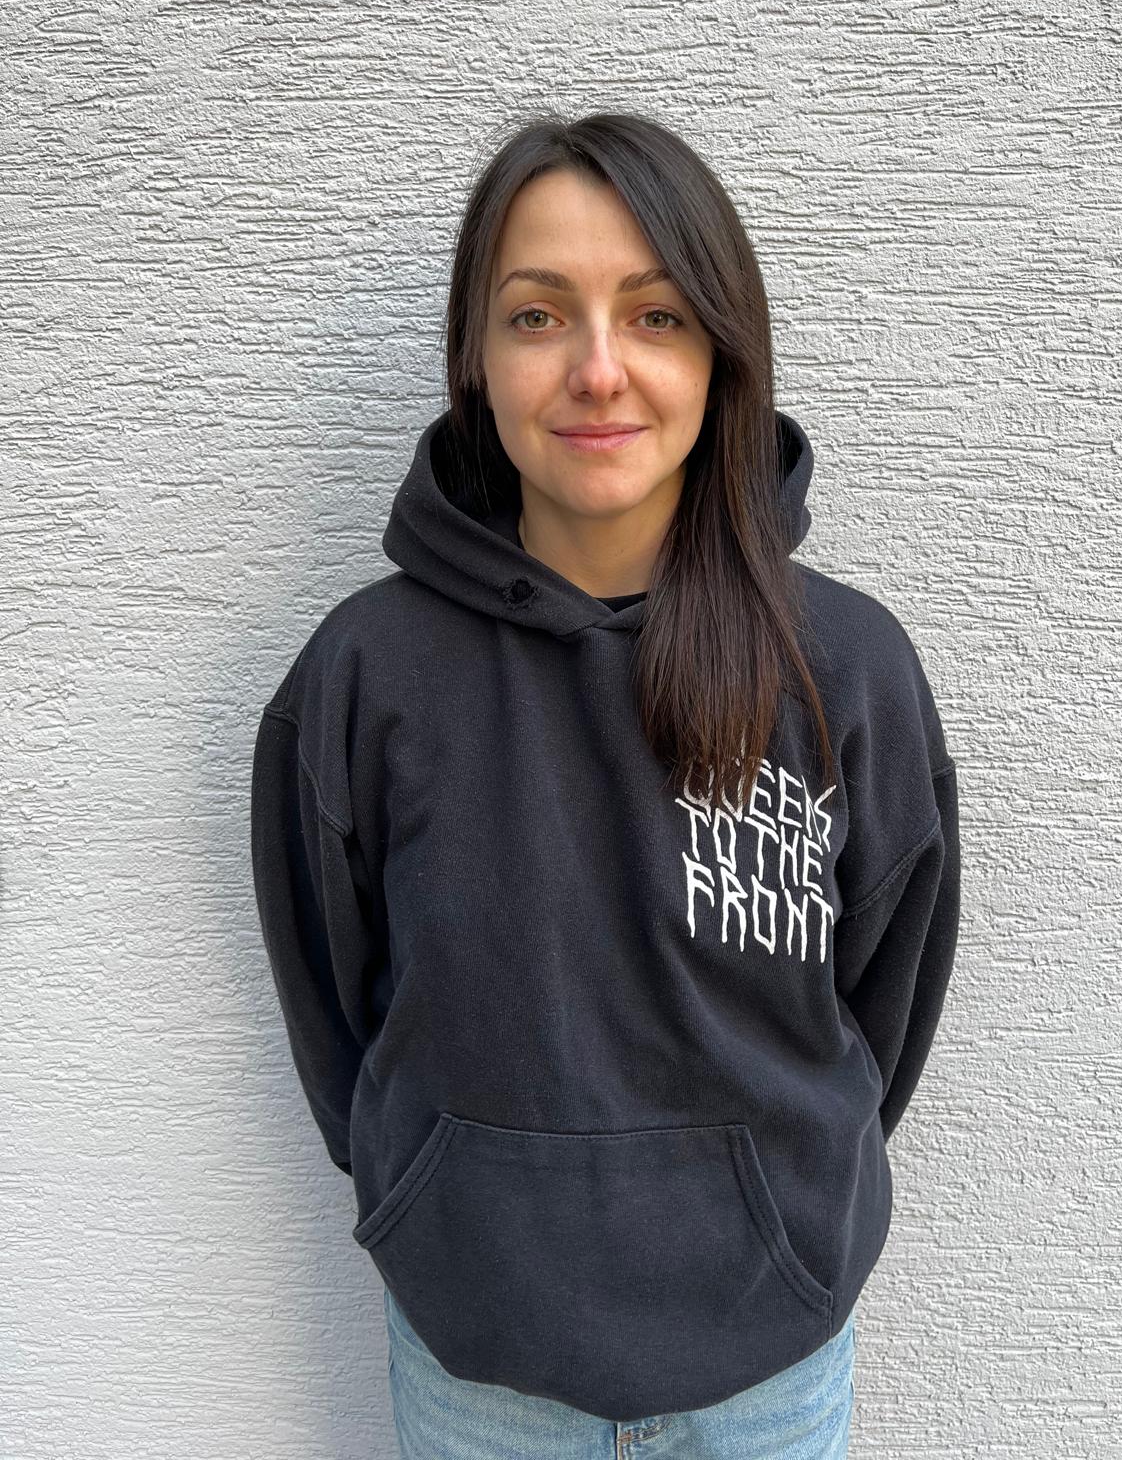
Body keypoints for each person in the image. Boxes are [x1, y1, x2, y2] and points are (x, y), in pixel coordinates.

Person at [249, 111, 961, 1459]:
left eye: (655, 315)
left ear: (720, 354)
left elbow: (886, 1009)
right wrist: (433, 1199)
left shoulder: (846, 670)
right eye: (537, 316)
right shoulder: (365, 675)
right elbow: (336, 1007)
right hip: (480, 1374)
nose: (596, 368)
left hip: (771, 1367)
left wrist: (780, 1213)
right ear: (476, 357)